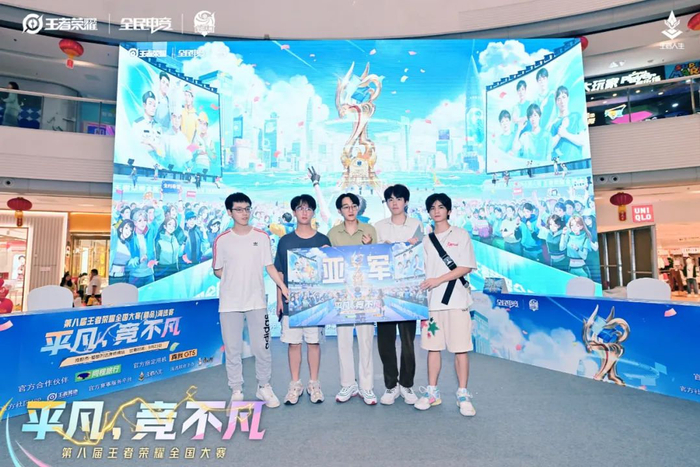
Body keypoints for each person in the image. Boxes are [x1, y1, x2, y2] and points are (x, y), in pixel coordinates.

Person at [213, 192, 289, 408]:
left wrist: (283, 287)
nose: (244, 213)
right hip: (230, 304)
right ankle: (236, 389)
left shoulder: (262, 237)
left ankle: (264, 386)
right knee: (232, 349)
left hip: (257, 303)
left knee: (262, 347)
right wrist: (234, 277)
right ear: (229, 212)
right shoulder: (222, 240)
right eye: (239, 209)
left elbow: (269, 266)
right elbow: (217, 270)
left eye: (247, 209)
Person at [415, 193, 477, 417]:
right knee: (433, 348)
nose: (437, 211)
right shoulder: (426, 240)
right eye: (432, 208)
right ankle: (432, 392)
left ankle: (463, 394)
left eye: (441, 207)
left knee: (461, 349)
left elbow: (466, 266)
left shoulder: (461, 235)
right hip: (432, 303)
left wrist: (438, 280)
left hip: (457, 300)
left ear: (449, 211)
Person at [274, 194, 330, 405]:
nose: (304, 212)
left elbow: (330, 272)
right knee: (294, 344)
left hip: (315, 302)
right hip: (291, 302)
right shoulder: (285, 241)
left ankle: (314, 383)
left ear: (313, 212)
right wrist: (279, 299)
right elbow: (279, 272)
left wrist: (329, 254)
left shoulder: (323, 240)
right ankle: (295, 384)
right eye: (300, 208)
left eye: (308, 208)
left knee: (314, 343)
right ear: (294, 212)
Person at [327, 193, 378, 405]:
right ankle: (348, 384)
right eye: (346, 206)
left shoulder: (369, 230)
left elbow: (377, 260)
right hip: (343, 296)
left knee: (366, 340)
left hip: (366, 294)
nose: (350, 210)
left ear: (358, 208)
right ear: (339, 210)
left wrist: (369, 247)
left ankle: (367, 386)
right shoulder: (333, 233)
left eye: (354, 205)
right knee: (344, 341)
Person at [373, 184, 421, 405]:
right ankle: (391, 385)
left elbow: (419, 254)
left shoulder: (417, 225)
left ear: (406, 202)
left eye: (399, 199)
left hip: (409, 291)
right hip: (384, 291)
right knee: (385, 341)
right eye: (390, 199)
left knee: (408, 341)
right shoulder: (379, 227)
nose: (394, 203)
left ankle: (407, 384)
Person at [550, 86, 587, 162]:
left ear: (568, 98)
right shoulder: (554, 123)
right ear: (556, 102)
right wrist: (559, 134)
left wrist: (565, 134)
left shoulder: (576, 116)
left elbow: (583, 141)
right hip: (559, 163)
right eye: (559, 99)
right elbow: (549, 146)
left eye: (564, 97)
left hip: (576, 162)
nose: (562, 101)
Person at [109, 219, 136, 284]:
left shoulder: (128, 245)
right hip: (112, 277)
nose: (128, 232)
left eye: (130, 230)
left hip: (123, 277)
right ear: (121, 229)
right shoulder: (115, 240)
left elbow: (128, 264)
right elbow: (112, 227)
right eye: (126, 228)